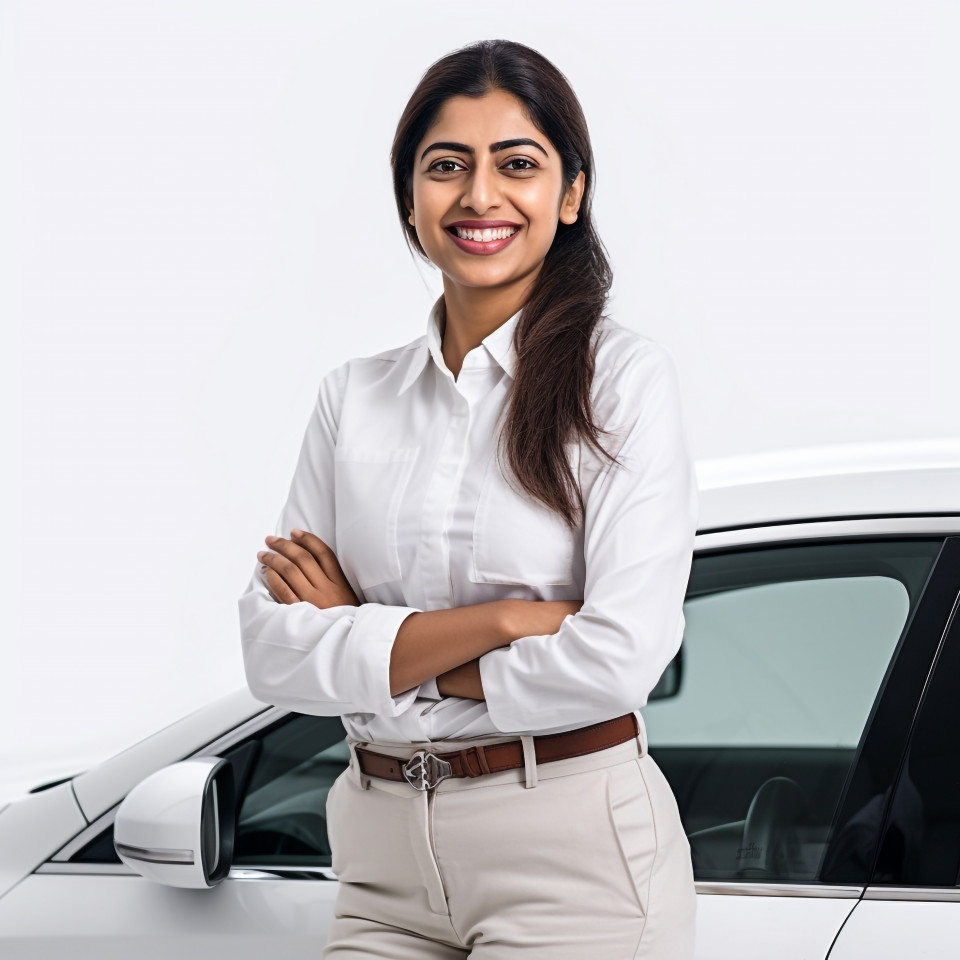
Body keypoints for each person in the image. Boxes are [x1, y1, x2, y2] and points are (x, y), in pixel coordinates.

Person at [239, 38, 699, 959]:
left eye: (517, 165)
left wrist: (374, 643)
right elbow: (272, 652)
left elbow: (617, 658)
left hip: (572, 858)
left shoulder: (622, 384)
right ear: (410, 202)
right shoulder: (353, 399)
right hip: (380, 861)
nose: (480, 196)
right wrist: (502, 621)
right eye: (446, 166)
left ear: (570, 195)